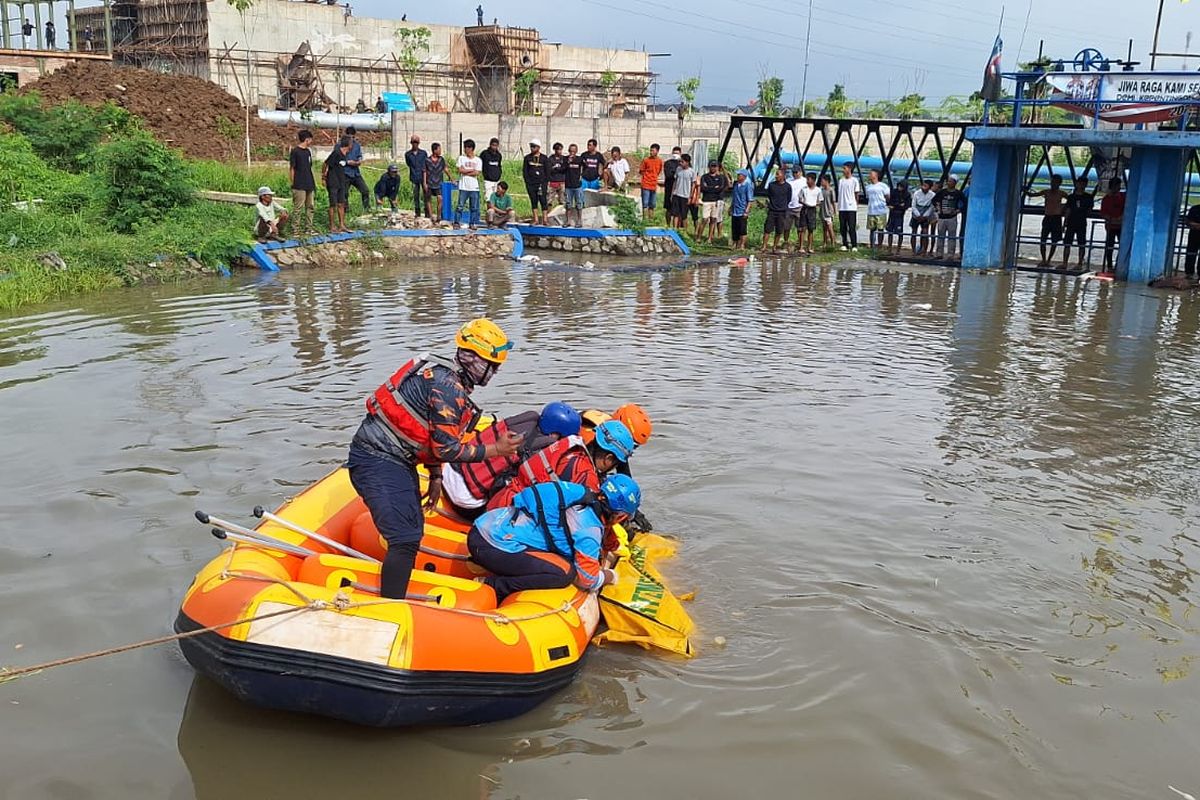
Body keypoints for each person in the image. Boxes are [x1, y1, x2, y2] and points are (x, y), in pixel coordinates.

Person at [348, 318, 519, 600]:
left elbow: (428, 434)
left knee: (412, 532)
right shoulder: (447, 387)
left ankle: (395, 592)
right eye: (493, 365)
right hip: (376, 457)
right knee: (405, 539)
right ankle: (390, 607)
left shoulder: (448, 379)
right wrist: (495, 450)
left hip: (395, 458)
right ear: (475, 359)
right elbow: (448, 449)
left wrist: (436, 475)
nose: (495, 371)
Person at [467, 474, 641, 601]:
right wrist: (610, 576)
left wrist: (613, 546)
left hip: (484, 527)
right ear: (620, 516)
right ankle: (494, 586)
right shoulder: (589, 530)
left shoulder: (581, 493)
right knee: (564, 573)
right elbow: (587, 579)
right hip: (493, 545)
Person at [439, 402, 581, 520]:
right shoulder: (535, 450)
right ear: (555, 435)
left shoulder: (524, 420)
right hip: (465, 500)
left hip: (450, 470)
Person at [487, 418, 636, 511]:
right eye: (615, 463)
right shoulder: (585, 475)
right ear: (608, 458)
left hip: (504, 497)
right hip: (510, 513)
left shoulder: (572, 442)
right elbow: (579, 522)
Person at [1027, 174, 1066, 267]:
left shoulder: (1061, 193)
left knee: (1054, 240)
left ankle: (1048, 260)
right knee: (1043, 239)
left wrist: (1063, 208)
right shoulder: (1046, 192)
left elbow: (1071, 201)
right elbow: (1033, 195)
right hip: (1048, 217)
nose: (1053, 184)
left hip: (1057, 218)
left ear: (1059, 183)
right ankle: (1044, 259)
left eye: (1055, 182)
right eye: (1052, 182)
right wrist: (1025, 190)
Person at [1062, 177, 1095, 270]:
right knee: (1067, 243)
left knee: (1081, 243)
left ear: (1086, 185)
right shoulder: (1071, 197)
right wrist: (1064, 223)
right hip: (1071, 222)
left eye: (1083, 184)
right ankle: (1065, 263)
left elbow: (1089, 210)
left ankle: (1080, 263)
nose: (1081, 185)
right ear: (1077, 184)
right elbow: (1068, 210)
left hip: (1081, 222)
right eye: (1079, 183)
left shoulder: (1088, 197)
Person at [321, 136, 352, 233]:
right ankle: (332, 226)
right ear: (348, 144)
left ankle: (342, 225)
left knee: (341, 204)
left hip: (341, 182)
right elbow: (325, 163)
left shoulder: (345, 155)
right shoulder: (336, 153)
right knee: (333, 204)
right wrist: (323, 177)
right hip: (333, 182)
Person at [288, 129, 316, 234]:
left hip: (309, 182)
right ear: (306, 139)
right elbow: (292, 168)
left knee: (310, 206)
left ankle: (309, 228)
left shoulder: (308, 152)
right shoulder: (295, 151)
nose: (311, 142)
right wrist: (293, 182)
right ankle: (295, 229)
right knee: (298, 207)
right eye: (310, 140)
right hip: (299, 183)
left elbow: (310, 166)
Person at [932, 175, 965, 259]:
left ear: (955, 183)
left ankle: (950, 255)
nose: (948, 183)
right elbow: (934, 200)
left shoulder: (958, 193)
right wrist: (938, 208)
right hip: (942, 217)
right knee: (940, 236)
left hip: (952, 218)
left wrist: (958, 211)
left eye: (950, 181)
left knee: (952, 237)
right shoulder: (942, 192)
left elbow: (965, 203)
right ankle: (939, 254)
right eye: (948, 181)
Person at [698, 160, 730, 244]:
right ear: (709, 167)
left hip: (716, 201)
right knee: (704, 219)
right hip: (706, 200)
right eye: (712, 166)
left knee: (713, 219)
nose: (713, 168)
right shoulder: (704, 177)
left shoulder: (720, 178)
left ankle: (710, 238)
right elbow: (703, 188)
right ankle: (699, 237)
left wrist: (710, 188)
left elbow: (721, 188)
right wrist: (714, 188)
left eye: (715, 166)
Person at [762, 167, 792, 253]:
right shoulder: (772, 185)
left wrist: (782, 206)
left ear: (783, 176)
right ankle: (764, 246)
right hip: (772, 210)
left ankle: (774, 247)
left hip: (782, 212)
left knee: (779, 230)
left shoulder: (788, 187)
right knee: (767, 229)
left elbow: (788, 199)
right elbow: (769, 196)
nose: (776, 176)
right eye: (776, 174)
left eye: (777, 174)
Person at [342, 126, 371, 211]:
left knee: (365, 190)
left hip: (355, 173)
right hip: (345, 173)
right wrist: (348, 162)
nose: (351, 139)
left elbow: (359, 156)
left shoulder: (357, 145)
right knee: (344, 193)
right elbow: (338, 158)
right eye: (350, 137)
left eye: (353, 137)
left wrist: (359, 161)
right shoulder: (339, 145)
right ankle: (346, 210)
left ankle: (366, 208)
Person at [1099, 177, 1125, 271]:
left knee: (1122, 245)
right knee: (1109, 246)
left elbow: (1126, 209)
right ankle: (1109, 266)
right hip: (1110, 226)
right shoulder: (1106, 199)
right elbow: (1103, 213)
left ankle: (1119, 264)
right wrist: (1112, 219)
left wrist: (1120, 218)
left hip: (1121, 225)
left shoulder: (1123, 197)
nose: (1117, 188)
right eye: (1116, 186)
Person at [455, 138, 482, 228]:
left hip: (474, 187)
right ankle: (456, 222)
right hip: (463, 187)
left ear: (470, 148)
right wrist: (471, 170)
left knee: (474, 207)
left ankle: (472, 223)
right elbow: (460, 170)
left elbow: (477, 172)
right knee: (460, 206)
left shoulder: (478, 160)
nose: (464, 149)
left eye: (466, 147)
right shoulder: (461, 158)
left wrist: (465, 170)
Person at [523, 139, 550, 224]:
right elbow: (525, 171)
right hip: (531, 184)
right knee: (533, 201)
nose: (532, 148)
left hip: (541, 183)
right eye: (531, 146)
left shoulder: (544, 158)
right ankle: (536, 219)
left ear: (538, 147)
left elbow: (547, 171)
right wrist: (528, 182)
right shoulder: (527, 158)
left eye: (534, 146)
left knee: (543, 201)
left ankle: (545, 219)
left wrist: (545, 182)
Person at [862, 170, 890, 251]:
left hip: (881, 211)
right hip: (871, 211)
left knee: (880, 229)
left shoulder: (883, 186)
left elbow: (888, 197)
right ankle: (872, 246)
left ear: (876, 175)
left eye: (871, 173)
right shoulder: (868, 187)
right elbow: (867, 198)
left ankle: (880, 245)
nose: (869, 175)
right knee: (872, 230)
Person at [837, 163, 861, 251]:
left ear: (849, 169)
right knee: (843, 227)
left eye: (844, 168)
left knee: (851, 227)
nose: (843, 170)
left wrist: (856, 204)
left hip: (851, 207)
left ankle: (854, 245)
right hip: (842, 207)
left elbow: (856, 193)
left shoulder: (854, 180)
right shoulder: (841, 180)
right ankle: (845, 244)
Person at [798, 172, 822, 255]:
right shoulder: (804, 189)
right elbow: (800, 199)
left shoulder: (818, 190)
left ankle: (810, 247)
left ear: (813, 180)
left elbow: (820, 201)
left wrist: (815, 204)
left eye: (808, 179)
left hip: (812, 209)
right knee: (802, 228)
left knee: (811, 229)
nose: (807, 181)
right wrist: (804, 202)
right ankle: (801, 247)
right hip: (804, 209)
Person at [909, 178, 935, 255]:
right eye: (923, 185)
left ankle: (924, 251)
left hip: (926, 215)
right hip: (916, 214)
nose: (923, 187)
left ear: (929, 187)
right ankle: (913, 250)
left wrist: (924, 216)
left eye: (925, 186)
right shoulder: (916, 193)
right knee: (914, 232)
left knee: (925, 232)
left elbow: (931, 207)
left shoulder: (932, 195)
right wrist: (918, 215)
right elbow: (913, 206)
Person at [669, 154, 696, 230]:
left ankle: (685, 231)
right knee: (675, 214)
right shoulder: (678, 169)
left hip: (685, 196)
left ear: (687, 162)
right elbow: (675, 181)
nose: (680, 163)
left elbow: (693, 185)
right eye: (680, 161)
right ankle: (674, 229)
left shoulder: (692, 172)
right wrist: (672, 194)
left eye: (682, 161)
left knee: (684, 215)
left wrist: (690, 196)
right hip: (677, 194)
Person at [730, 169, 755, 249]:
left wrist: (746, 211)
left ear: (744, 177)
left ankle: (742, 244)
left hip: (742, 210)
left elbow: (750, 200)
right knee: (735, 228)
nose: (737, 177)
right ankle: (735, 243)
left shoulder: (747, 186)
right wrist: (731, 208)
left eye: (739, 175)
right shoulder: (736, 185)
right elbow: (734, 198)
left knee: (742, 229)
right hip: (735, 210)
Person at [404, 135, 428, 217]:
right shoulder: (408, 154)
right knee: (416, 196)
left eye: (416, 142)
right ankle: (417, 213)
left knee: (425, 195)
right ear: (411, 143)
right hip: (414, 177)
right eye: (413, 142)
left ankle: (427, 212)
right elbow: (408, 164)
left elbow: (426, 165)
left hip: (423, 178)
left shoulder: (423, 153)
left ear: (419, 143)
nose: (415, 144)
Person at [885, 180, 911, 255]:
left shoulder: (907, 194)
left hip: (900, 215)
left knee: (900, 232)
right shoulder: (894, 192)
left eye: (901, 186)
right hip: (892, 214)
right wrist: (899, 205)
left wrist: (897, 206)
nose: (900, 188)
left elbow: (906, 205)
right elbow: (890, 203)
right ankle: (889, 249)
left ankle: (898, 250)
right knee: (890, 231)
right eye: (899, 186)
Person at [639, 143, 663, 221]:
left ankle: (651, 219)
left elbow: (658, 171)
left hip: (653, 185)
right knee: (645, 204)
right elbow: (641, 171)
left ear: (657, 151)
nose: (651, 152)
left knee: (652, 204)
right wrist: (646, 177)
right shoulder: (646, 160)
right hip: (646, 184)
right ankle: (644, 219)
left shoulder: (659, 161)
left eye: (653, 150)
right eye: (650, 150)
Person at [423, 142, 446, 220]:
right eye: (439, 149)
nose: (440, 151)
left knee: (440, 199)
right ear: (435, 150)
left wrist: (452, 178)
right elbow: (425, 171)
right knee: (428, 199)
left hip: (439, 183)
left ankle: (439, 215)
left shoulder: (441, 159)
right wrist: (424, 182)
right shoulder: (427, 160)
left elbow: (445, 169)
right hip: (430, 182)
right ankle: (431, 216)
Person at [784, 166, 805, 251]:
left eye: (796, 172)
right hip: (789, 207)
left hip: (800, 207)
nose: (795, 174)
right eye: (793, 172)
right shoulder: (789, 181)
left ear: (800, 172)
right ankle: (785, 243)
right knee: (786, 227)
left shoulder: (805, 181)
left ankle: (801, 246)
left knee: (800, 228)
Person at [564, 143, 584, 227]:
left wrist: (582, 175)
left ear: (576, 151)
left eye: (574, 151)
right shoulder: (565, 159)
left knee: (579, 203)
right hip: (568, 185)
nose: (572, 153)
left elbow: (586, 167)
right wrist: (568, 162)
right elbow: (562, 169)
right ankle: (568, 221)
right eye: (571, 151)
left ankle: (579, 221)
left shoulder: (580, 159)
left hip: (577, 185)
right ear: (569, 151)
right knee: (568, 204)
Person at [662, 146, 682, 221]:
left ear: (680, 153)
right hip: (669, 188)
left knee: (679, 209)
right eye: (674, 153)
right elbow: (668, 175)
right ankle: (668, 225)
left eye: (677, 153)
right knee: (668, 208)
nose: (675, 154)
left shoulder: (683, 163)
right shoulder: (668, 163)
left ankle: (679, 226)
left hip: (680, 189)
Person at [481, 137, 503, 202]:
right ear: (490, 145)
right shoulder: (484, 154)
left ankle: (496, 211)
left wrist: (499, 174)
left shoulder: (499, 155)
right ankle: (489, 211)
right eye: (493, 145)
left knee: (496, 197)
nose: (494, 147)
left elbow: (499, 166)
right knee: (488, 197)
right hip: (488, 180)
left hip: (497, 180)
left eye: (496, 145)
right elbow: (480, 164)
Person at [818, 174, 837, 250]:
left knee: (830, 228)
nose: (821, 183)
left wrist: (835, 211)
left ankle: (833, 243)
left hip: (829, 212)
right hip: (822, 211)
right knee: (824, 228)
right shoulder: (821, 191)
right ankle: (825, 243)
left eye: (822, 181)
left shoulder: (831, 190)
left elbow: (833, 202)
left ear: (826, 181)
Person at [548, 142, 567, 211]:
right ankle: (548, 215)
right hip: (552, 182)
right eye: (558, 149)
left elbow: (564, 169)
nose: (560, 151)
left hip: (562, 182)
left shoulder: (564, 159)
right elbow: (550, 170)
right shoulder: (550, 159)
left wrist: (557, 169)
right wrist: (557, 169)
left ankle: (561, 214)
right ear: (555, 150)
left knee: (562, 201)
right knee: (549, 201)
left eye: (561, 149)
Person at [1184, 202, 1200, 278]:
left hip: (1195, 232)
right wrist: (1196, 225)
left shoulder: (1194, 209)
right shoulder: (1194, 209)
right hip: (1194, 235)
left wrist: (1195, 225)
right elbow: (1188, 222)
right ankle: (1189, 274)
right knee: (1191, 253)